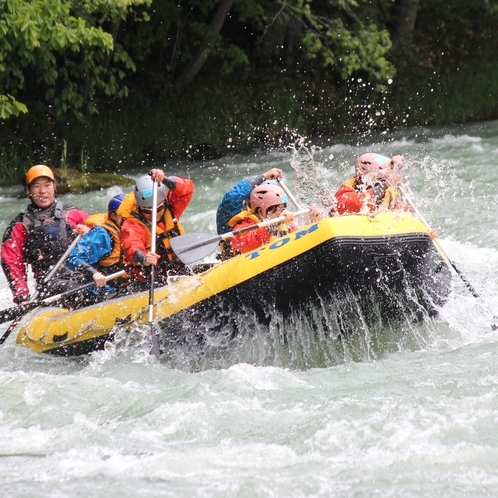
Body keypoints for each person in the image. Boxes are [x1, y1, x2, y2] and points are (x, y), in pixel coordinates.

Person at [1, 164, 90, 305]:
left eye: (47, 185)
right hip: (50, 284)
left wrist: (88, 232)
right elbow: (11, 261)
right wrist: (22, 297)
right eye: (36, 186)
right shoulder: (20, 225)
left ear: (54, 187)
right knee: (74, 290)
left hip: (84, 274)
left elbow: (103, 232)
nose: (42, 191)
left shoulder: (75, 213)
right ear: (28, 190)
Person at [118, 168, 194, 289]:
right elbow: (131, 246)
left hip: (177, 270)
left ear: (164, 202)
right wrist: (144, 258)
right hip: (149, 279)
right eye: (147, 210)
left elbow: (187, 189)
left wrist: (165, 180)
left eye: (158, 208)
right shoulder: (132, 223)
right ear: (139, 207)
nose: (154, 214)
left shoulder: (171, 206)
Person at [217, 169, 320, 258]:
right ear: (261, 209)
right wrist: (272, 226)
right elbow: (248, 244)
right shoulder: (243, 225)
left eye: (283, 207)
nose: (281, 211)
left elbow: (303, 238)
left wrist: (313, 219)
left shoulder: (282, 223)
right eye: (276, 208)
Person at [65, 193, 128, 300]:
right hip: (104, 290)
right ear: (113, 216)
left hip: (126, 287)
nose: (130, 218)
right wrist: (93, 273)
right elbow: (72, 258)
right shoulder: (102, 235)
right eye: (125, 215)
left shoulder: (137, 229)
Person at [332, 153, 411, 215]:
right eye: (379, 182)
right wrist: (385, 185)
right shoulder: (345, 194)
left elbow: (407, 213)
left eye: (384, 181)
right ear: (363, 179)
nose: (382, 189)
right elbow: (358, 203)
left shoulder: (389, 195)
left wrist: (398, 170)